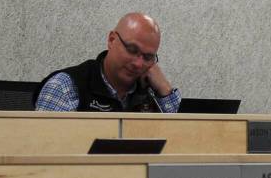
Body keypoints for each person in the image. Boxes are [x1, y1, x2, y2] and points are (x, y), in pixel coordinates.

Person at [36, 12, 180, 112]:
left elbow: (181, 144)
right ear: (111, 40)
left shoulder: (151, 94)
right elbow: (44, 150)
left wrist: (165, 91)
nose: (138, 64)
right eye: (131, 49)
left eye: (148, 57)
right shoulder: (64, 87)